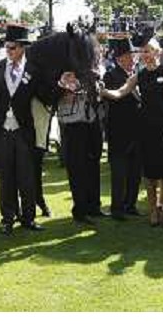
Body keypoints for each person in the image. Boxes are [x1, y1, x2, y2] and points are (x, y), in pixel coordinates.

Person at [100, 34, 163, 228]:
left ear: (158, 52)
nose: (145, 54)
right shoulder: (139, 75)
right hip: (146, 131)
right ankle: (153, 211)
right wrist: (102, 90)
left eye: (149, 50)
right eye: (143, 51)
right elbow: (119, 93)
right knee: (150, 175)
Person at [0, 25, 45, 235]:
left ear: (22, 48)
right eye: (7, 47)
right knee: (6, 177)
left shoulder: (34, 71)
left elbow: (46, 96)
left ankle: (28, 217)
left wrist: (63, 85)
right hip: (2, 131)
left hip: (24, 130)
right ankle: (7, 218)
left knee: (27, 176)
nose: (9, 51)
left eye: (13, 47)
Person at [57, 35, 106, 225]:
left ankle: (94, 206)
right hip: (74, 122)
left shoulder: (94, 70)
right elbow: (61, 92)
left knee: (93, 164)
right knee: (77, 168)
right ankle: (80, 209)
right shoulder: (66, 73)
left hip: (92, 120)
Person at [103, 36, 142, 221]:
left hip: (136, 132)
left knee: (134, 172)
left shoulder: (136, 74)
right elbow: (111, 99)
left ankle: (130, 204)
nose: (132, 58)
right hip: (119, 132)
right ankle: (117, 208)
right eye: (128, 55)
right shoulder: (111, 75)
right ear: (119, 58)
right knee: (119, 173)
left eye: (132, 55)